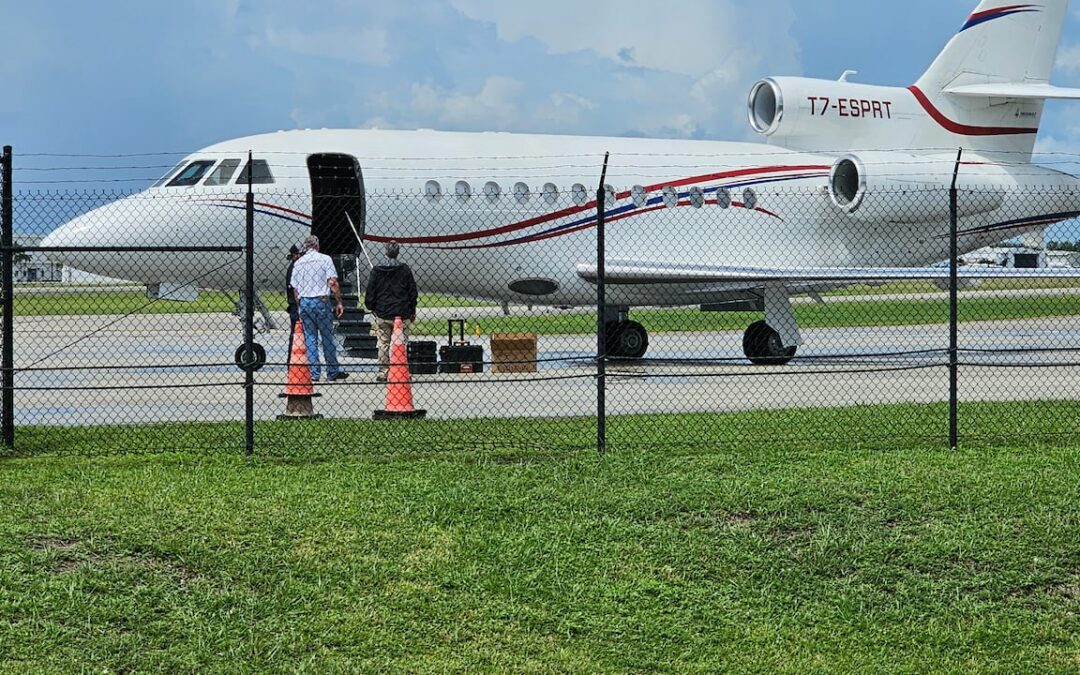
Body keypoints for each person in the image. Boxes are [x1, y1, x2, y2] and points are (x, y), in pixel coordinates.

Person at [290, 235, 348, 382]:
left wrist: (299, 305)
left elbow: (295, 289)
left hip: (305, 302)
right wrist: (339, 301)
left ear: (305, 247)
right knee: (327, 337)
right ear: (317, 245)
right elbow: (332, 282)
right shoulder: (325, 259)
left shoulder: (299, 263)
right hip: (321, 300)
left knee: (310, 338)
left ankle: (314, 373)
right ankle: (332, 371)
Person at [364, 240, 418, 382]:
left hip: (383, 311)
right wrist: (412, 309)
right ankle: (402, 370)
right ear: (398, 252)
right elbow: (412, 291)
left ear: (385, 252)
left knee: (383, 343)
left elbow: (371, 291)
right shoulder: (404, 269)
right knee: (402, 343)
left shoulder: (377, 270)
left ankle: (383, 371)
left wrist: (372, 307)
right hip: (402, 312)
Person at [284, 244, 302, 358]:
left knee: (296, 334)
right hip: (296, 305)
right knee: (297, 334)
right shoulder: (296, 267)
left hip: (295, 304)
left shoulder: (295, 266)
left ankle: (293, 360)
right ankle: (293, 359)